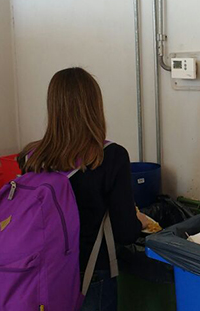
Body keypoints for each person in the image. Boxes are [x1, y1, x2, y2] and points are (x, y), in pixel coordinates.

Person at [18, 67, 151, 311]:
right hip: (91, 275)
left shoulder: (31, 156)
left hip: (44, 271)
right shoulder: (111, 157)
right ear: (94, 107)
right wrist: (139, 219)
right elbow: (125, 233)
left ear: (53, 107)